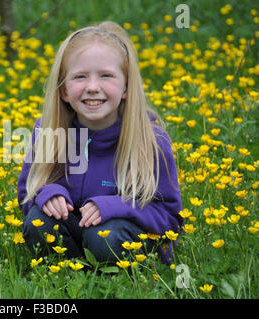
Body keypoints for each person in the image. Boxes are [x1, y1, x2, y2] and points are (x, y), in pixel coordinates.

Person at [17, 21, 183, 265]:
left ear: (126, 87)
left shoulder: (151, 140)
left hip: (122, 233)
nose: (92, 87)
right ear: (63, 91)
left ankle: (109, 278)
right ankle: (70, 276)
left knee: (103, 238)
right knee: (37, 222)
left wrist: (116, 206)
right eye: (80, 77)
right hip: (73, 228)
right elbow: (26, 195)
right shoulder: (48, 131)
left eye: (106, 76)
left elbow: (170, 217)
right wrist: (48, 194)